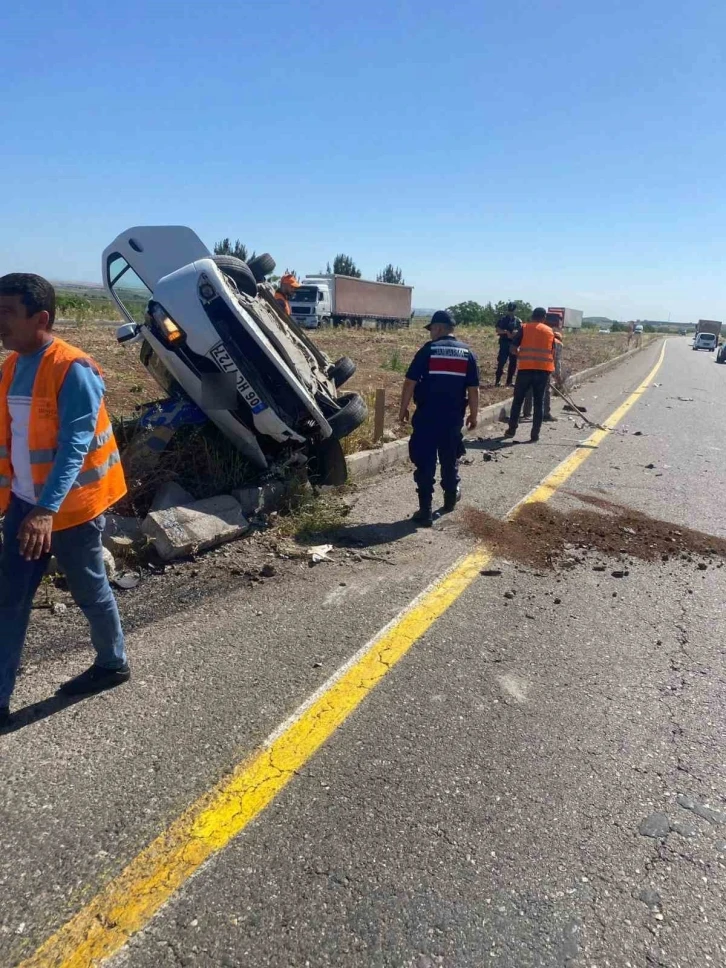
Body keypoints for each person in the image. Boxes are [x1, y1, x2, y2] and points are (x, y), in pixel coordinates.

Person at [0, 274, 129, 727]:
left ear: (42, 318)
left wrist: (45, 511)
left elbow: (75, 445)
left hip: (69, 509)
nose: (0, 324)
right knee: (9, 600)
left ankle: (112, 663)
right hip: (22, 506)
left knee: (90, 589)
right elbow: (11, 441)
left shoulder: (73, 368)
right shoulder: (12, 366)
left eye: (7, 313)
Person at [399, 310, 480, 527]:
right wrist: (474, 414)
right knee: (449, 457)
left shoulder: (428, 351)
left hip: (427, 416)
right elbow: (473, 389)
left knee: (425, 461)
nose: (431, 334)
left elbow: (410, 382)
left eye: (432, 329)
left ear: (440, 328)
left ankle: (425, 511)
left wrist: (403, 408)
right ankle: (450, 499)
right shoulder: (467, 353)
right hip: (453, 418)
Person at [503, 307, 556, 443]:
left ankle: (511, 430)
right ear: (544, 318)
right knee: (539, 403)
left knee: (518, 400)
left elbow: (513, 348)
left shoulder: (524, 328)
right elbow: (552, 352)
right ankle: (534, 435)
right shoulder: (550, 331)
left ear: (532, 316)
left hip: (525, 370)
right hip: (543, 371)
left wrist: (522, 355)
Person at [522, 310, 563, 422]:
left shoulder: (540, 333)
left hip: (529, 366)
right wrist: (557, 375)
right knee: (546, 392)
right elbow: (556, 360)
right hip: (544, 369)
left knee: (529, 390)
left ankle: (526, 412)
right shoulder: (558, 344)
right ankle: (546, 413)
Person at [494, 302, 520, 386]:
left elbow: (521, 331)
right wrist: (506, 332)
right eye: (510, 310)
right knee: (501, 362)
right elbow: (497, 329)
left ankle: (509, 381)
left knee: (513, 363)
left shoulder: (518, 321)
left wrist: (516, 333)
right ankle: (497, 381)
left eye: (512, 310)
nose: (511, 312)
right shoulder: (502, 319)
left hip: (514, 343)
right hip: (504, 343)